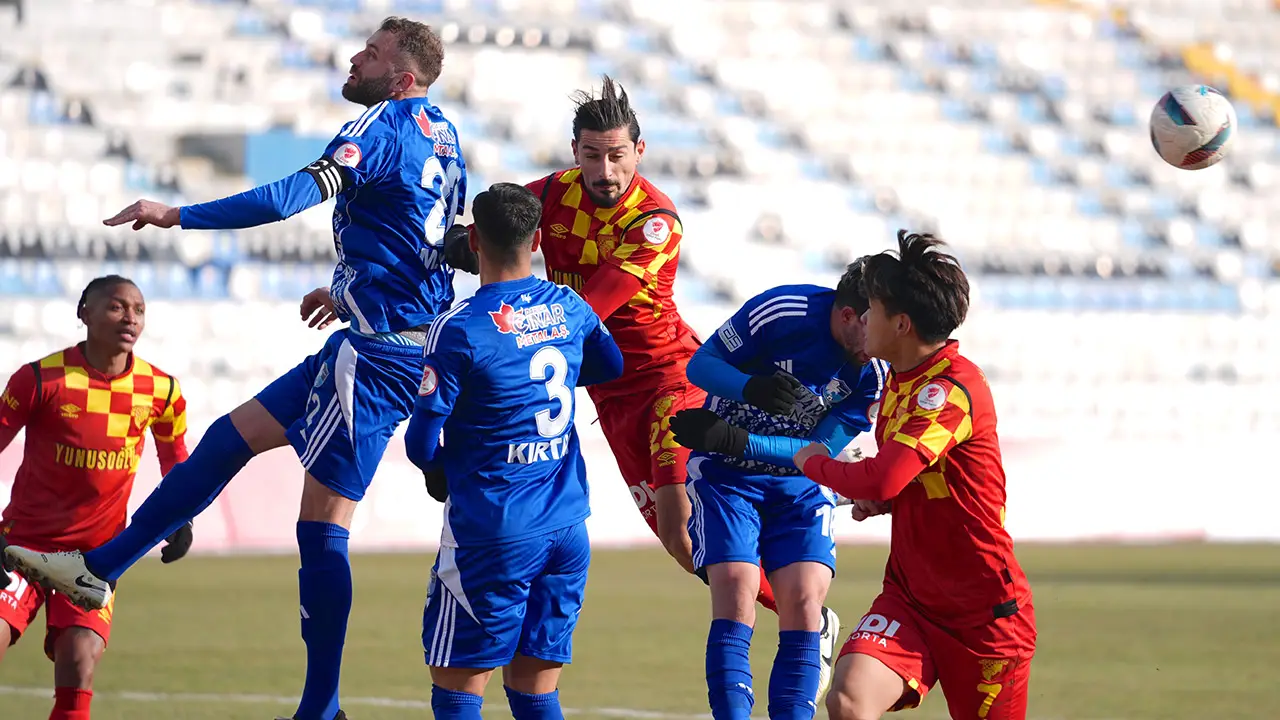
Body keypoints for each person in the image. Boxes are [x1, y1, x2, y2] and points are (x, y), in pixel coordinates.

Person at [5, 17, 465, 720]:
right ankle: (100, 570)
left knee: (322, 526)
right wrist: (345, 291)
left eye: (370, 53)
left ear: (400, 77)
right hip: (381, 339)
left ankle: (320, 707)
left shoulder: (383, 125)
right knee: (227, 439)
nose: (354, 57)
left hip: (377, 359)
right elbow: (420, 241)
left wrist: (175, 214)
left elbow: (288, 197)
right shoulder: (445, 134)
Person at [443, 74, 799, 628]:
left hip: (667, 378)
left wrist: (505, 341)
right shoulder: (551, 193)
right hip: (607, 389)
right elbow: (500, 224)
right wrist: (463, 243)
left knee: (683, 525)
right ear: (575, 153)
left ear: (639, 151)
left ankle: (802, 611)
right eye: (592, 156)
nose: (605, 172)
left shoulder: (654, 220)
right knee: (681, 548)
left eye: (617, 156)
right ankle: (803, 611)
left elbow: (587, 311)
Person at [792, 231, 1036, 720]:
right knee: (848, 699)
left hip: (984, 613)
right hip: (911, 599)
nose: (863, 318)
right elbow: (909, 480)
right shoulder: (901, 381)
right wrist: (889, 500)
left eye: (874, 309)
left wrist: (812, 461)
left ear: (901, 324)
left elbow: (884, 477)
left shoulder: (948, 391)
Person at [403, 182, 623, 719]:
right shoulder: (568, 305)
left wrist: (440, 471)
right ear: (538, 239)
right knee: (534, 690)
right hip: (567, 526)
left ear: (473, 240)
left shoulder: (459, 327)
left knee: (457, 685)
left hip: (494, 530)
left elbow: (419, 441)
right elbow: (611, 366)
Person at [667, 259, 889, 720]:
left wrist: (738, 438)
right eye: (874, 324)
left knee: (807, 603)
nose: (881, 339)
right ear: (848, 316)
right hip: (728, 476)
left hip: (802, 485)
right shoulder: (784, 311)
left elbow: (820, 450)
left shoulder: (874, 371)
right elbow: (700, 364)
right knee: (737, 588)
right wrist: (750, 388)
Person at [0, 276, 191, 720]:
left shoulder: (161, 390)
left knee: (80, 664)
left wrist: (183, 520)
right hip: (21, 547)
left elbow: (177, 463)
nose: (130, 318)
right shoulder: (39, 379)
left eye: (139, 309)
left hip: (96, 560)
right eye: (117, 307)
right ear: (84, 313)